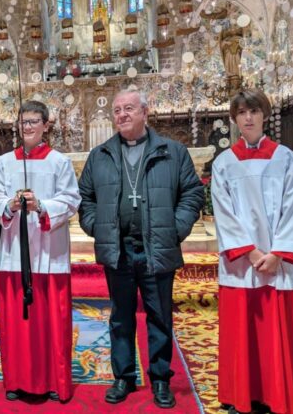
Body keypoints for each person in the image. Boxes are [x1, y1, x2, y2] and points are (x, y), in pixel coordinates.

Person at [78, 90, 203, 408]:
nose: (121, 115)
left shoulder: (172, 152)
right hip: (118, 249)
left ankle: (160, 379)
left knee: (159, 317)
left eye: (129, 109)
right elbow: (85, 198)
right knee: (120, 317)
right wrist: (97, 226)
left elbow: (192, 193)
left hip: (156, 248)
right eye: (117, 110)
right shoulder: (100, 155)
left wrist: (175, 230)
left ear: (145, 112)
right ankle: (123, 377)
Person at [211, 89, 293, 414]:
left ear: (264, 115)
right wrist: (250, 253)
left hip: (277, 263)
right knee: (241, 331)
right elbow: (224, 212)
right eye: (242, 113)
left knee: (276, 331)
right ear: (234, 119)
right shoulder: (224, 163)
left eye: (254, 112)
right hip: (242, 264)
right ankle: (241, 394)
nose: (248, 118)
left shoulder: (285, 158)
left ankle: (278, 393)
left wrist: (276, 254)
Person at [0, 100, 81, 402]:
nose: (26, 127)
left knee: (51, 323)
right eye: (22, 122)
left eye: (32, 121)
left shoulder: (59, 161)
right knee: (17, 324)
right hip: (14, 253)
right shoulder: (4, 162)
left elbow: (70, 201)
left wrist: (41, 206)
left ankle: (54, 381)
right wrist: (9, 206)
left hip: (49, 255)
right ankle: (16, 380)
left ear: (45, 125)